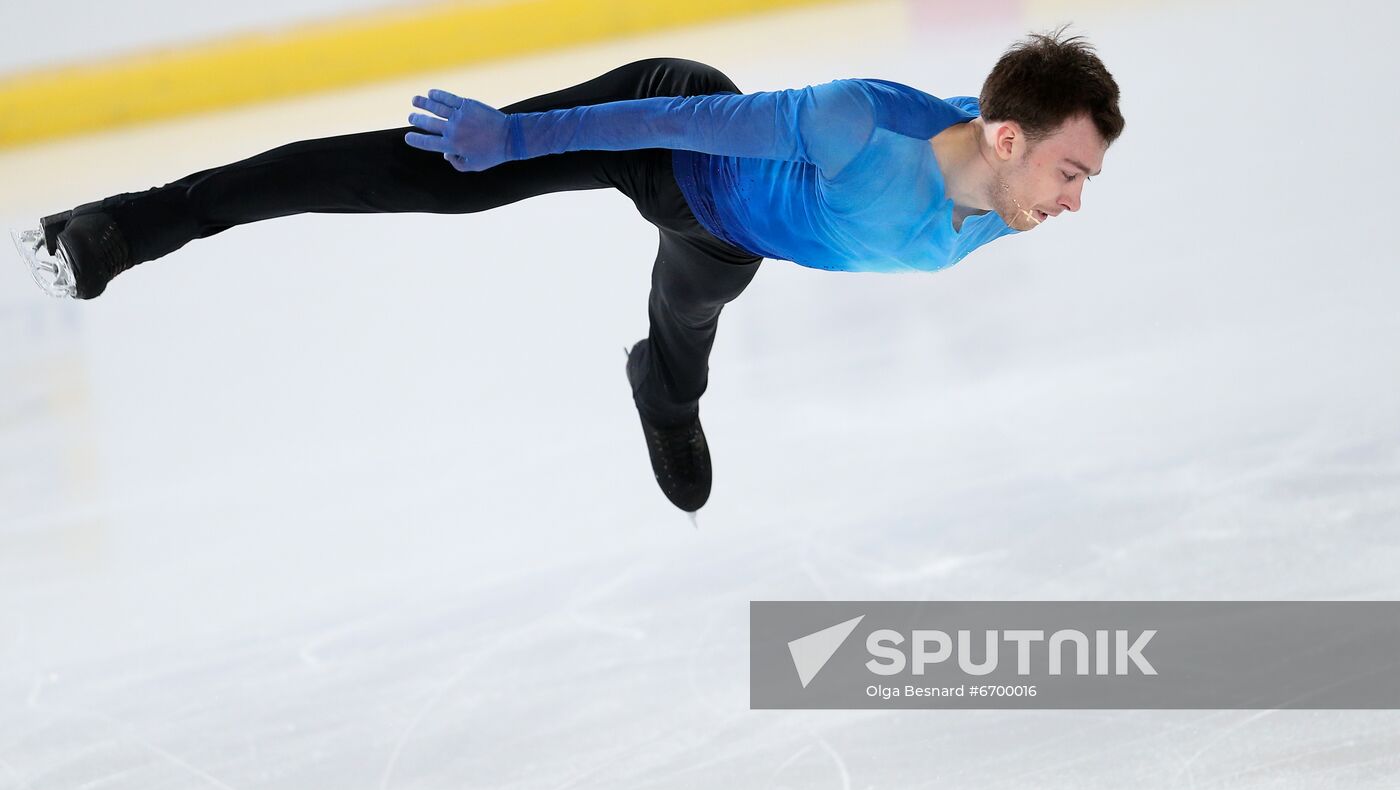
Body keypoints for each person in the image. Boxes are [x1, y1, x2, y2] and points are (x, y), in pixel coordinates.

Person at [11, 26, 1123, 514]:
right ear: (1008, 139)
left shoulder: (1003, 198)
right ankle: (122, 227)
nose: (1075, 204)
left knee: (686, 327)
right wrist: (518, 139)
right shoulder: (849, 129)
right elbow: (677, 112)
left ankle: (659, 391)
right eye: (1071, 173)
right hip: (664, 141)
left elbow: (992, 121)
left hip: (730, 233)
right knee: (413, 176)